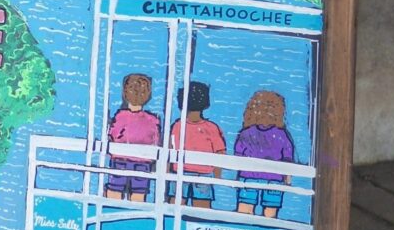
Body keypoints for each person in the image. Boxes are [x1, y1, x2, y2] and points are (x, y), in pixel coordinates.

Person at [234, 90, 295, 219]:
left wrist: (237, 176)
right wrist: (288, 180)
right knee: (270, 215)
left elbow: (238, 156)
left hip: (248, 177)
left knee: (244, 211)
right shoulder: (281, 135)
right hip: (274, 179)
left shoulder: (246, 133)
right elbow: (288, 158)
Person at [166, 81, 225, 210]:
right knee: (202, 208)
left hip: (181, 171)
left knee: (175, 206)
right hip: (201, 174)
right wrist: (218, 175)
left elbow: (170, 149)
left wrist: (166, 171)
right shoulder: (212, 128)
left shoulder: (177, 126)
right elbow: (220, 152)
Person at [105, 73, 160, 202]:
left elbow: (113, 136)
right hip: (143, 163)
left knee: (114, 191)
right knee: (138, 195)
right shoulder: (152, 120)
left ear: (125, 93)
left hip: (120, 161)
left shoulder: (121, 116)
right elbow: (155, 141)